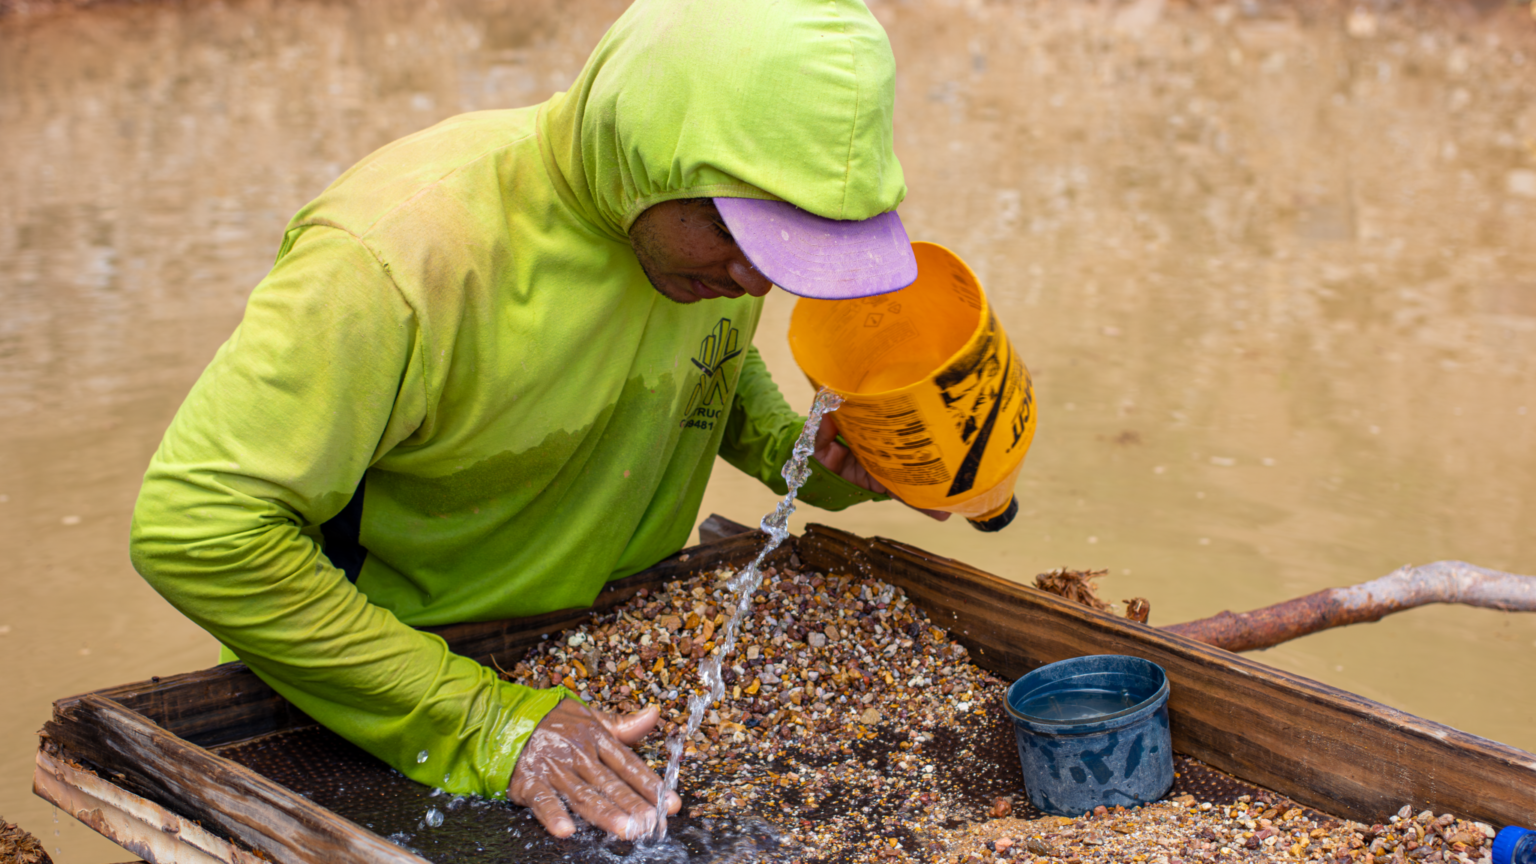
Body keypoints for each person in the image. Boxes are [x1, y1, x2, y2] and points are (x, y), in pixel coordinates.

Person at [129, 0, 939, 842]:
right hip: (389, 693)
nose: (754, 281)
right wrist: (488, 722)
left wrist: (808, 450)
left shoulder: (697, 261)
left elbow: (702, 372)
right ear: (642, 155)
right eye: (742, 239)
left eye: (788, 254)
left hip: (613, 664)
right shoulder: (398, 256)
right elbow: (198, 531)